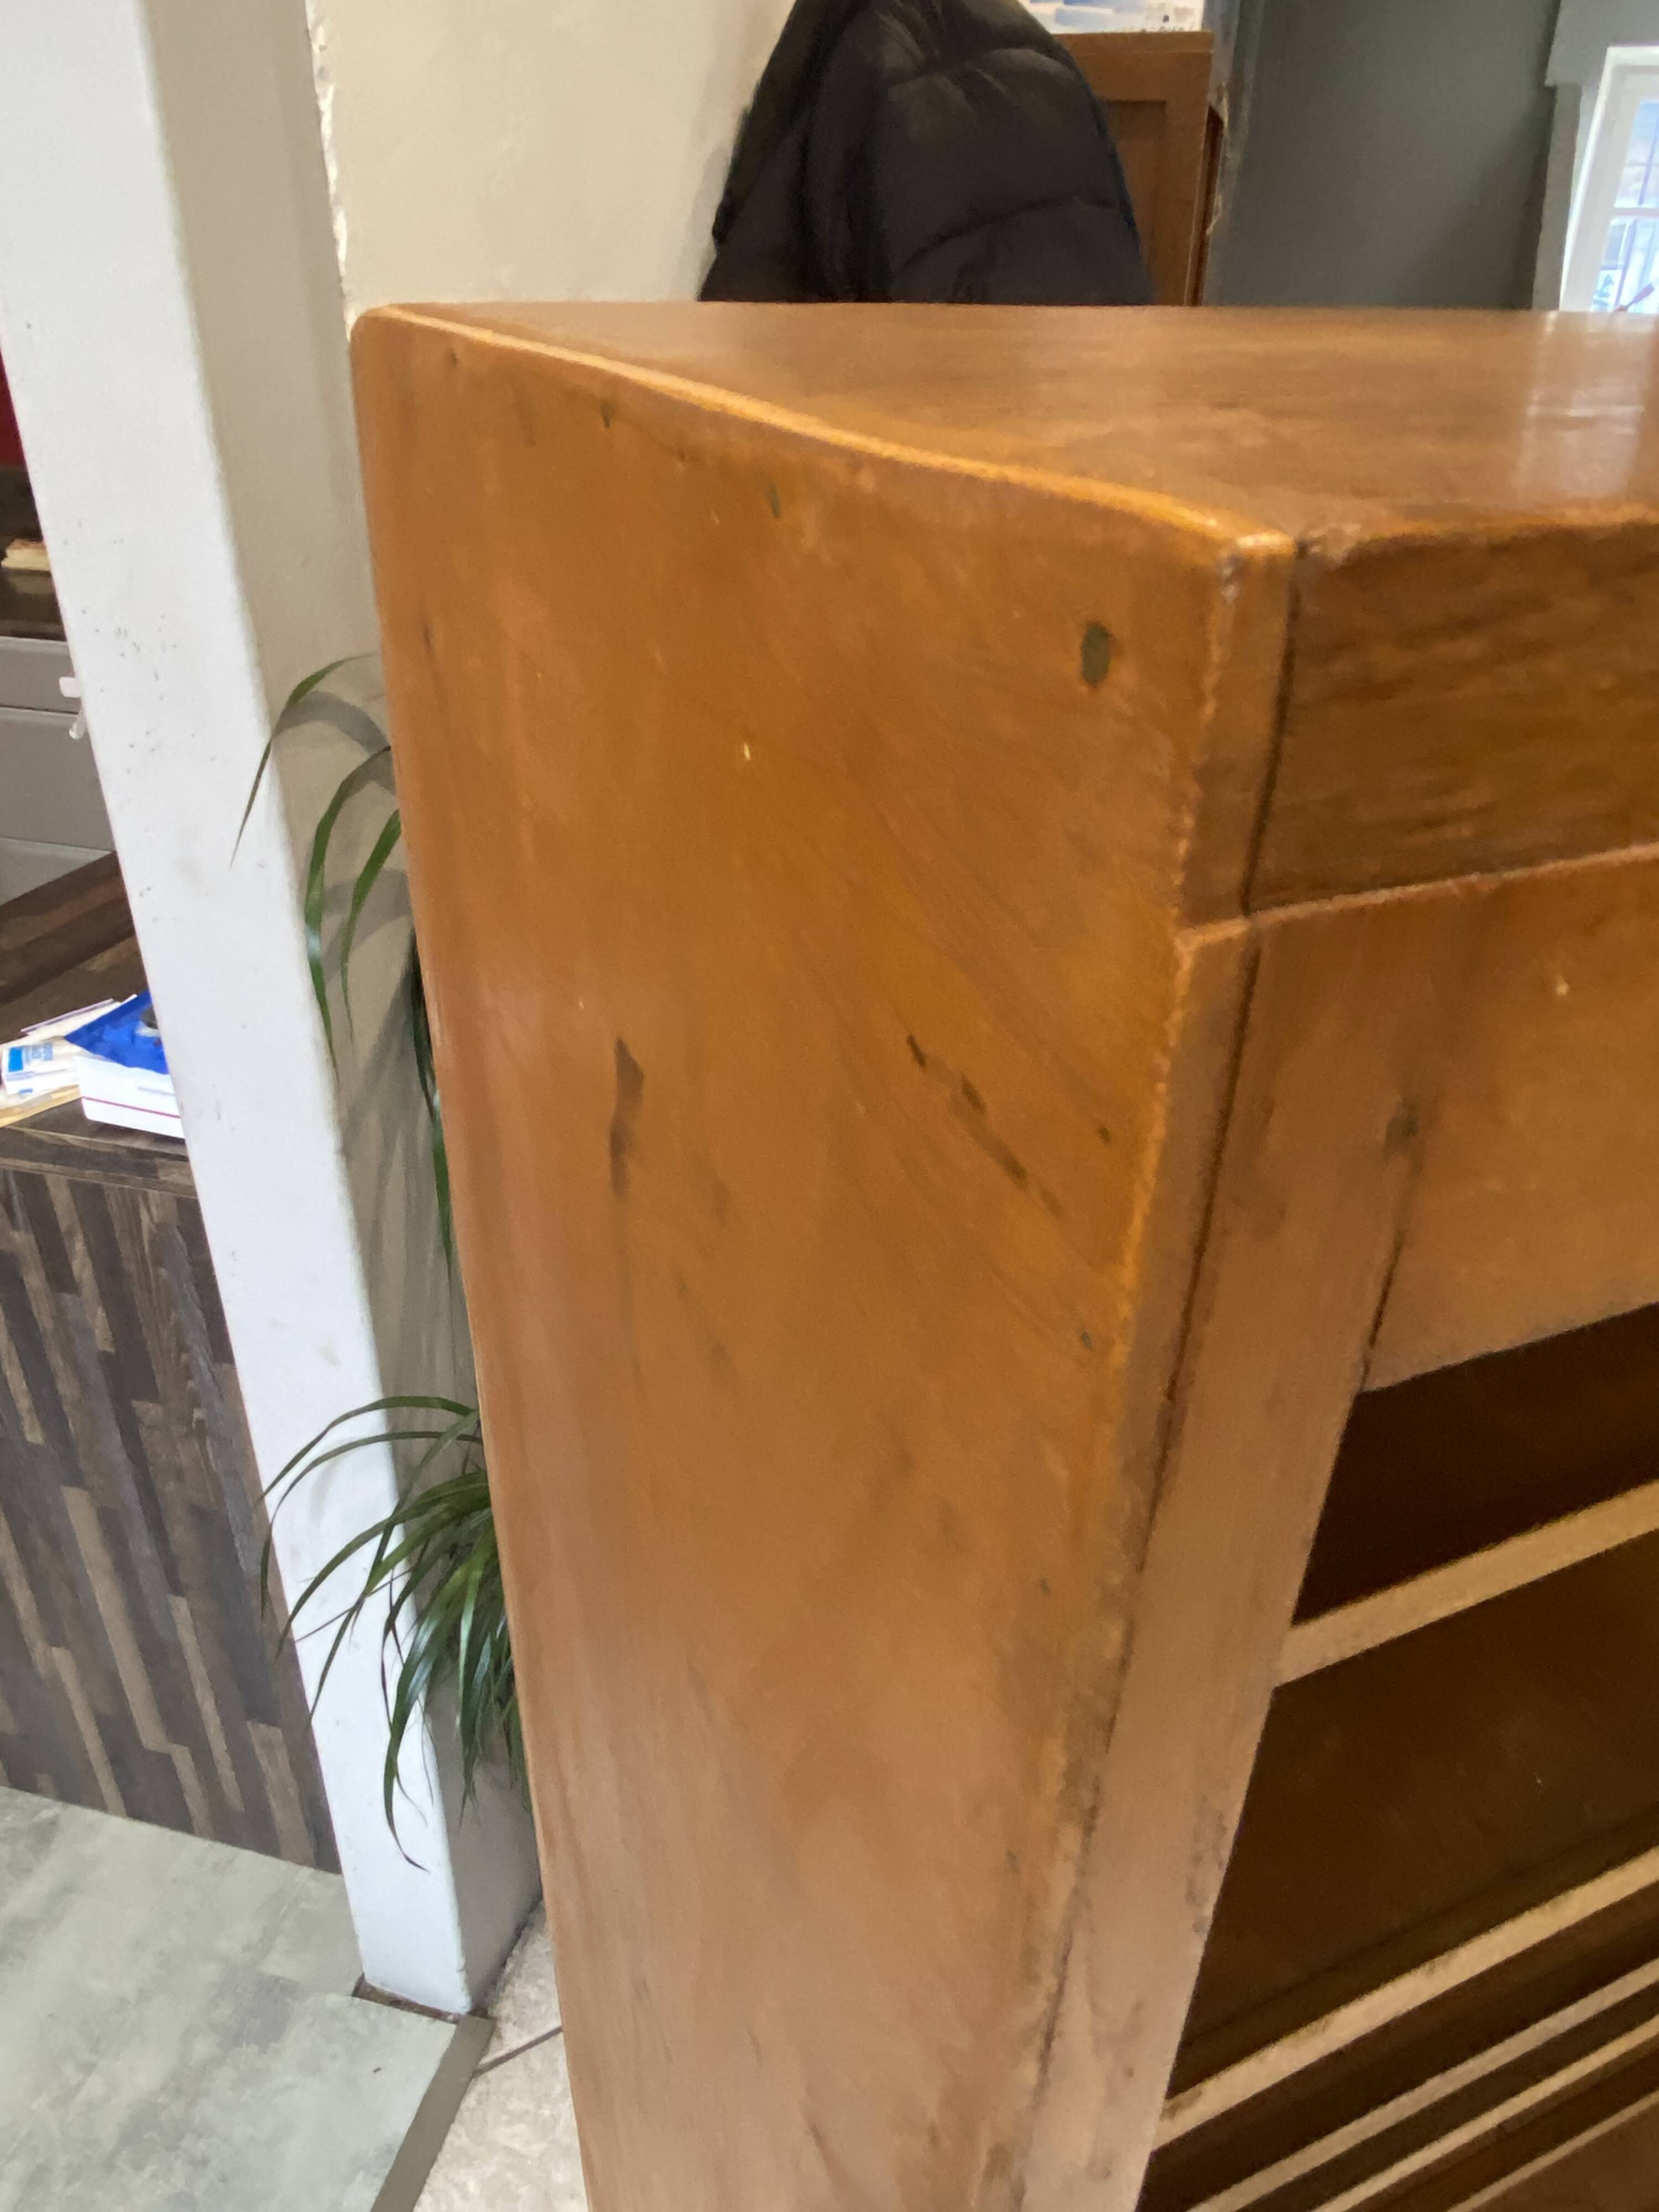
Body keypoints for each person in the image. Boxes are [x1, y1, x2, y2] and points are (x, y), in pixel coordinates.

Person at [703, 0, 1151, 305]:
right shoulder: (1054, 67)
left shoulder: (847, 70)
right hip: (1090, 393)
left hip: (934, 400)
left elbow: (757, 279)